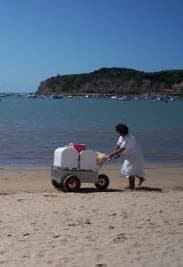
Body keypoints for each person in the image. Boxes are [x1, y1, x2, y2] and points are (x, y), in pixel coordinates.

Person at [109, 123, 145, 190]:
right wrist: (116, 154)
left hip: (135, 155)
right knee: (129, 169)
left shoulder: (128, 138)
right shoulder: (121, 136)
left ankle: (132, 187)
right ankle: (141, 179)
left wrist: (112, 155)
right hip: (130, 155)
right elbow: (118, 145)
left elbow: (122, 149)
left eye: (117, 131)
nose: (117, 132)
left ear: (120, 131)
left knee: (129, 170)